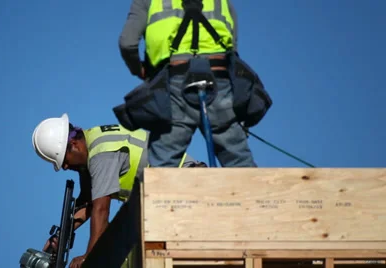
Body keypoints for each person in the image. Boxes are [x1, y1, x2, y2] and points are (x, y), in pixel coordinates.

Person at [31, 113, 206, 268]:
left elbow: (100, 210)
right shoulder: (90, 145)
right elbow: (88, 203)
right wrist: (61, 236)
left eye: (64, 160)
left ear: (74, 144)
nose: (66, 166)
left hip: (185, 187)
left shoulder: (101, 155)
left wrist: (89, 258)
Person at [118, 0, 258, 168]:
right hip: (218, 78)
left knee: (163, 164)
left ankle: (160, 193)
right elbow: (233, 49)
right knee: (238, 160)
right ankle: (254, 194)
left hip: (175, 81)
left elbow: (127, 43)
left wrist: (139, 70)